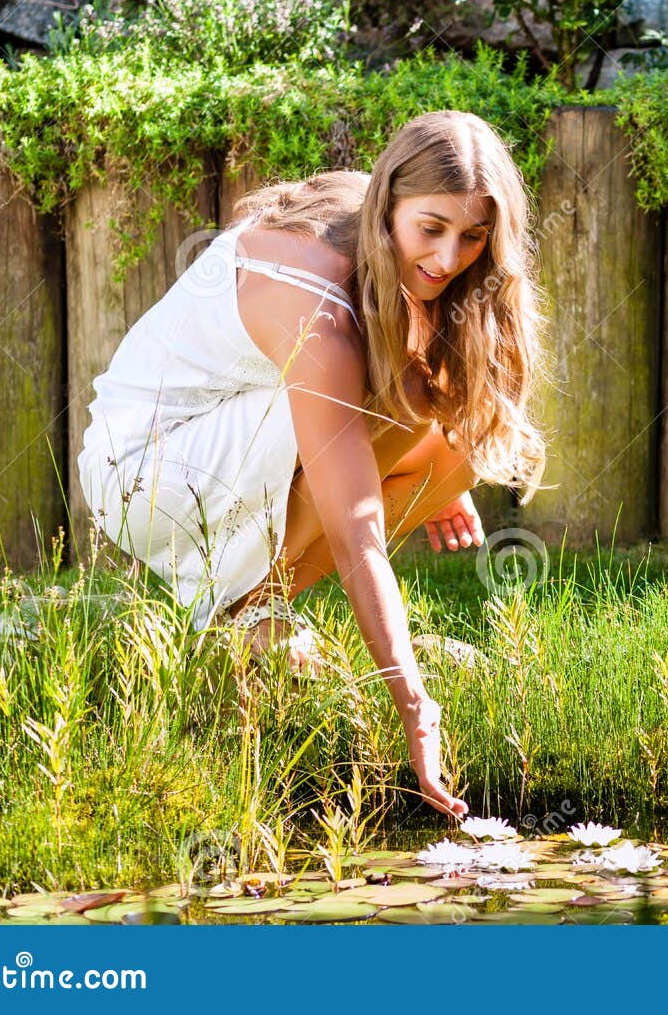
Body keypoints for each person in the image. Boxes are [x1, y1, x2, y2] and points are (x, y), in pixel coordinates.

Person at [77, 111, 550, 819]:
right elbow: (357, 531)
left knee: (460, 438)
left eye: (473, 237)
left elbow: (415, 356)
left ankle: (248, 618)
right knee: (399, 412)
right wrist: (415, 706)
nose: (450, 258)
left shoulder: (375, 225)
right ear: (389, 198)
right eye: (432, 229)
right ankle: (248, 617)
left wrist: (431, 467)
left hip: (221, 433)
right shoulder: (319, 317)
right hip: (142, 466)